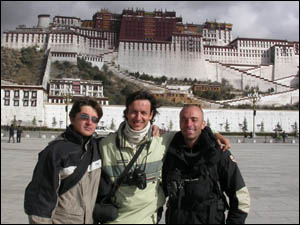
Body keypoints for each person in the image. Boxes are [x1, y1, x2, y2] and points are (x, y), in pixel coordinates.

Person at [95, 91, 231, 224]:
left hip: (149, 219)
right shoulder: (105, 145)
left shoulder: (162, 140)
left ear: (151, 115)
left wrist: (213, 135)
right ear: (126, 113)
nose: (138, 117)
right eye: (133, 112)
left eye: (143, 113)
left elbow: (191, 131)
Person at [162, 104, 250, 224]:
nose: (189, 124)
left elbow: (241, 197)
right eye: (184, 120)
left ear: (203, 124)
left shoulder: (218, 154)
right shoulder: (169, 153)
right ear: (179, 123)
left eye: (194, 119)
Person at [24, 97, 103, 224]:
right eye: (84, 117)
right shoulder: (54, 151)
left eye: (94, 119)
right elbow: (41, 199)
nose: (89, 122)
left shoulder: (97, 148)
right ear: (72, 118)